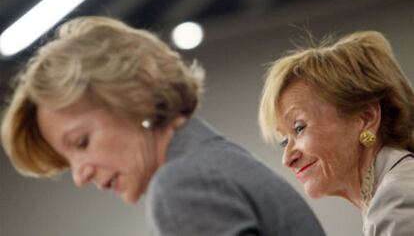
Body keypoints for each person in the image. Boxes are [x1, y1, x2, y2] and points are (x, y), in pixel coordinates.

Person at [1, 16, 325, 236]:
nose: (80, 175)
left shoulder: (183, 184)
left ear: (134, 98)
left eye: (82, 142)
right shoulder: (215, 160)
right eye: (68, 160)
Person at [259, 30, 414, 236]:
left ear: (366, 118)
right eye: (284, 140)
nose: (287, 159)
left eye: (299, 128)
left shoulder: (397, 200)